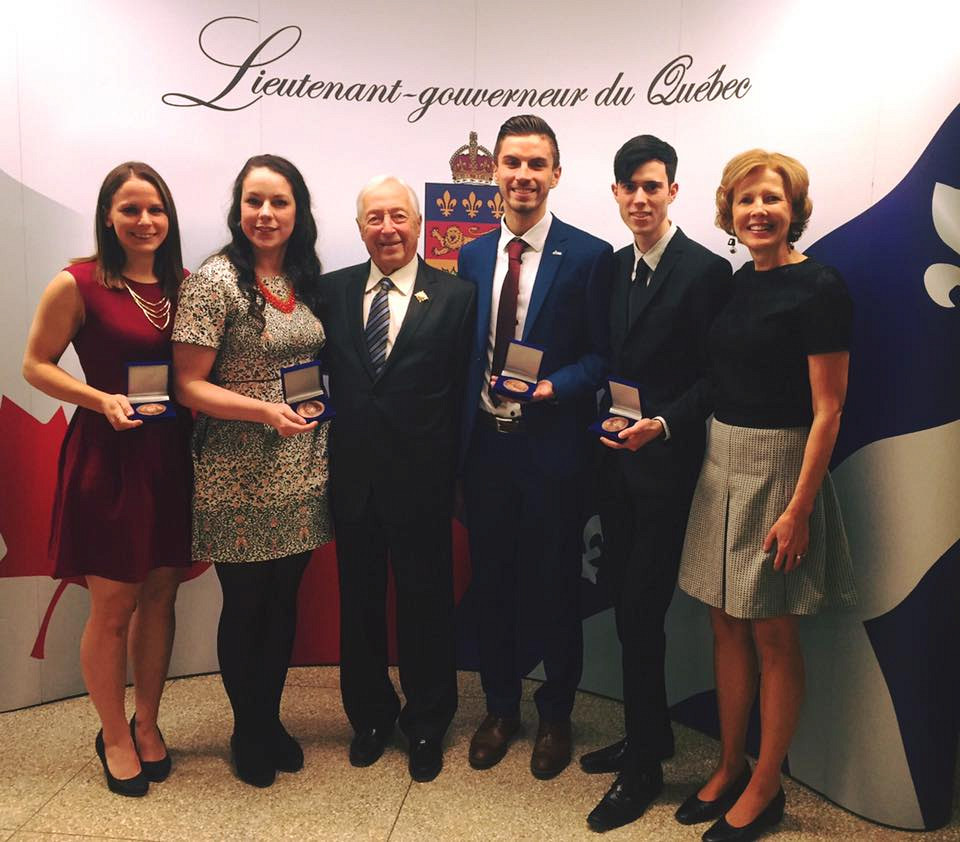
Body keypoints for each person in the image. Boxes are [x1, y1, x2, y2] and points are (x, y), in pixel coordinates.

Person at [676, 150, 856, 842]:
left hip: (783, 465)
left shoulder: (821, 288)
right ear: (729, 210)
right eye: (746, 199)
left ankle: (766, 781)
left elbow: (830, 409)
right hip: (721, 457)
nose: (758, 211)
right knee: (724, 620)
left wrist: (800, 507)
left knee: (774, 631)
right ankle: (728, 764)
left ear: (793, 210)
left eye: (772, 200)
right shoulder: (731, 284)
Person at [22, 162, 191, 797]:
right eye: (130, 209)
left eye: (156, 209)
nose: (145, 221)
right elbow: (35, 365)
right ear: (109, 217)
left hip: (172, 457)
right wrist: (99, 400)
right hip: (109, 459)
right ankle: (113, 734)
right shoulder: (79, 282)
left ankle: (148, 723)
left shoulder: (186, 286)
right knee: (114, 604)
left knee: (162, 597)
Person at [583, 136, 732, 831]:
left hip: (671, 472)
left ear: (673, 190)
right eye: (628, 188)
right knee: (625, 608)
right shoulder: (613, 269)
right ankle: (654, 735)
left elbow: (715, 377)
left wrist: (664, 427)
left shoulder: (705, 272)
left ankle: (645, 765)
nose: (639, 199)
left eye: (652, 186)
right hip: (616, 468)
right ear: (615, 195)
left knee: (642, 614)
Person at [458, 114, 614, 779]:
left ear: (556, 173)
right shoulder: (469, 254)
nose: (523, 175)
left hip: (552, 453)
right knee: (491, 583)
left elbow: (606, 356)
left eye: (536, 164)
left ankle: (556, 713)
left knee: (553, 587)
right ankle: (500, 708)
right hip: (486, 453)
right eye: (512, 162)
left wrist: (554, 387)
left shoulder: (589, 255)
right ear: (495, 171)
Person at [172, 154, 330, 789]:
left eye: (280, 202)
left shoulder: (301, 277)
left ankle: (270, 717)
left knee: (285, 602)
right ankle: (248, 729)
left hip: (302, 464)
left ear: (298, 211)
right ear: (238, 211)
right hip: (235, 470)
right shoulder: (215, 282)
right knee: (246, 604)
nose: (266, 214)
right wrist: (265, 411)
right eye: (254, 202)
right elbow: (187, 386)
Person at [321, 175, 475, 783]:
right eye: (374, 218)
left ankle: (427, 722)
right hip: (352, 480)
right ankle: (370, 718)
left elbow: (464, 395)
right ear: (359, 228)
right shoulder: (329, 293)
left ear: (418, 224)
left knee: (425, 607)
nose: (387, 228)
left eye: (398, 216)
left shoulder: (458, 296)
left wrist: (459, 476)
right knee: (358, 606)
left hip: (424, 484)